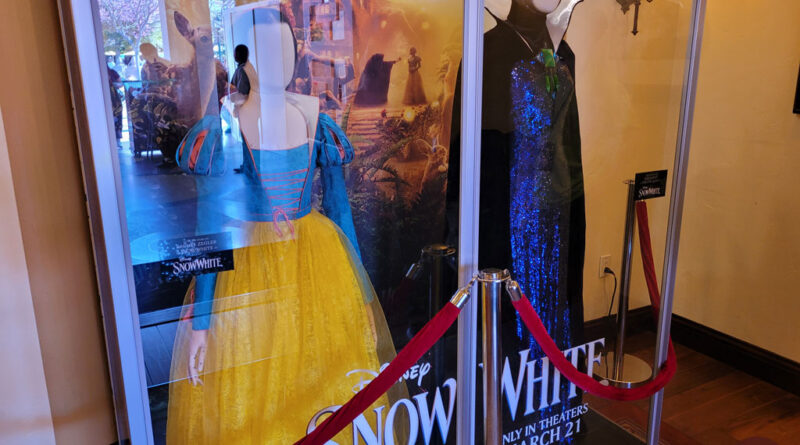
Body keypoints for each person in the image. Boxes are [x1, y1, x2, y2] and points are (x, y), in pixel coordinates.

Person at [230, 44, 252, 174]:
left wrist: (233, 99)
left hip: (246, 109)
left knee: (247, 140)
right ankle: (249, 166)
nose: (234, 55)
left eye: (235, 53)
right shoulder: (247, 68)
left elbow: (243, 91)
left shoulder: (243, 70)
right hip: (249, 109)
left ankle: (249, 167)